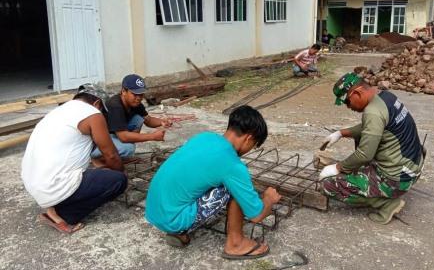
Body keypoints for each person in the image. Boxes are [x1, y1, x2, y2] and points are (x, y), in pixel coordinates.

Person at [145, 105, 281, 260]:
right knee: (233, 186)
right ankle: (236, 244)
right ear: (249, 138)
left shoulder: (204, 137)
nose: (250, 149)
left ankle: (179, 231)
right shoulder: (232, 164)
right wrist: (269, 199)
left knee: (209, 179)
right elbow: (256, 215)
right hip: (173, 219)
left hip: (154, 210)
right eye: (254, 145)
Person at [319, 73, 425, 224]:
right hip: (412, 166)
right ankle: (376, 184)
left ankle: (387, 203)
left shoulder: (372, 112)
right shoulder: (386, 97)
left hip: (396, 179)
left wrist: (337, 167)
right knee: (361, 139)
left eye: (348, 102)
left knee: (328, 185)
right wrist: (341, 133)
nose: (349, 107)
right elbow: (370, 127)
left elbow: (364, 155)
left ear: (357, 93)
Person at [21, 84, 127, 233]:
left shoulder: (59, 111)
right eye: (103, 110)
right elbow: (111, 155)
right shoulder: (92, 113)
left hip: (34, 183)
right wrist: (121, 171)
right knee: (118, 180)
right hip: (53, 186)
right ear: (97, 104)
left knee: (96, 170)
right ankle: (63, 215)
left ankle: (54, 206)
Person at [91, 74, 172, 159]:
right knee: (128, 149)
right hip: (97, 141)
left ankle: (118, 152)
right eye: (135, 94)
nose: (138, 98)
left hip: (114, 134)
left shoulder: (136, 103)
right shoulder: (115, 106)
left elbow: (149, 120)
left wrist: (162, 121)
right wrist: (152, 136)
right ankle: (100, 160)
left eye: (141, 94)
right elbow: (123, 137)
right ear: (123, 91)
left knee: (138, 119)